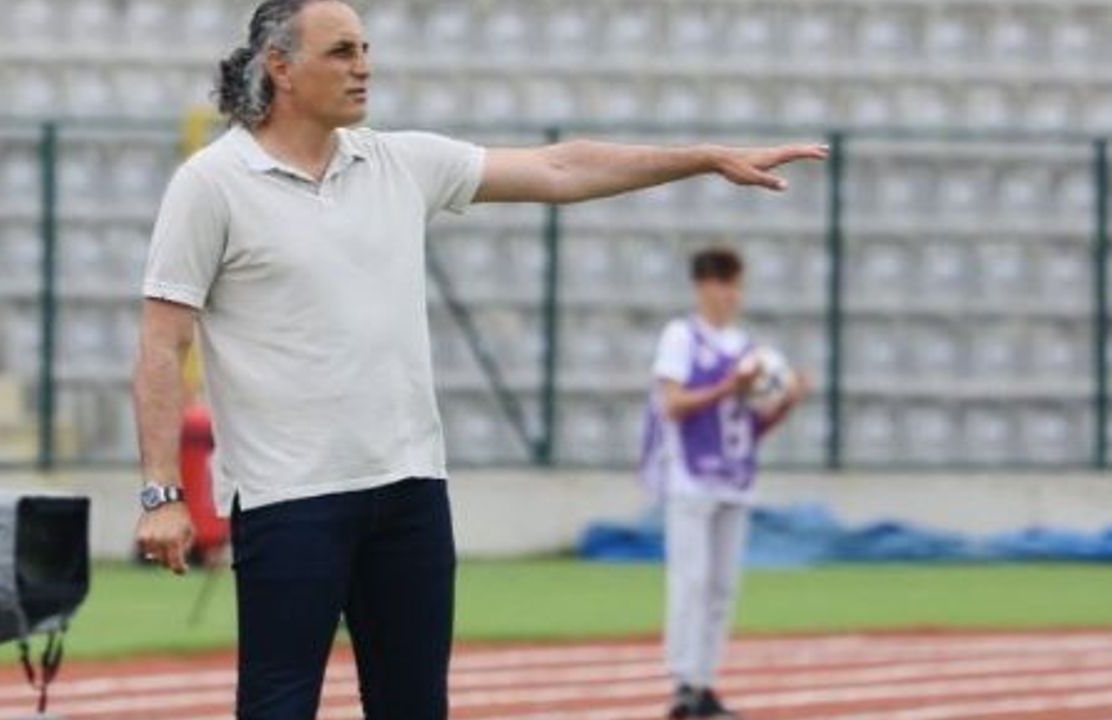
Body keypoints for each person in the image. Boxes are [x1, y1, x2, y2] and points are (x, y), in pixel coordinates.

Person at [131, 1, 827, 717]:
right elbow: (162, 343)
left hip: (410, 493)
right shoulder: (212, 183)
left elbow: (560, 167)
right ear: (280, 66)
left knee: (415, 706)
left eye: (365, 48)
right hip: (288, 499)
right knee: (277, 706)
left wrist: (703, 158)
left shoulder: (399, 162)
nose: (364, 66)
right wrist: (162, 494)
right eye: (341, 51)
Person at [641, 246, 810, 719]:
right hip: (691, 476)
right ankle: (683, 685)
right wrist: (727, 387)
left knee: (722, 588)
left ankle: (705, 681)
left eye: (736, 285)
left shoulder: (747, 348)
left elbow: (751, 426)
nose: (731, 295)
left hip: (736, 477)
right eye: (723, 284)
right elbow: (673, 403)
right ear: (702, 286)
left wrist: (787, 401)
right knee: (690, 582)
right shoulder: (682, 336)